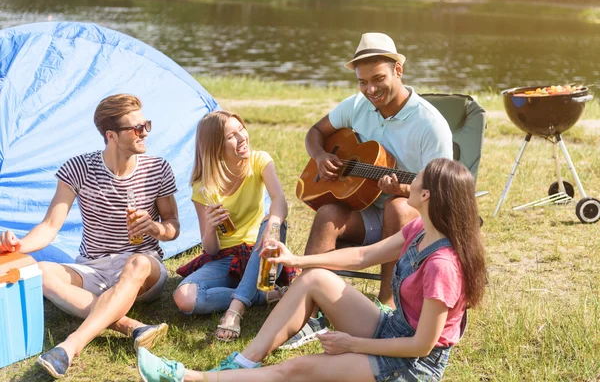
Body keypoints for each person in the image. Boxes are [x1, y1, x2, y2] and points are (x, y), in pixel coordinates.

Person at [137, 158, 487, 382]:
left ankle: (187, 378)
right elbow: (362, 257)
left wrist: (354, 344)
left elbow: (422, 347)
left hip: (411, 367)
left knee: (296, 369)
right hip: (392, 330)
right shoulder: (419, 231)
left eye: (417, 178)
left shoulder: (443, 266)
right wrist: (297, 261)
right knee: (316, 279)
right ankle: (242, 363)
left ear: (427, 196)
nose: (407, 181)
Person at [286, 32, 454, 348]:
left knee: (398, 207)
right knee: (328, 212)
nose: (370, 90)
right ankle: (306, 308)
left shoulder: (430, 125)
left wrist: (405, 188)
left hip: (412, 224)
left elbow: (443, 192)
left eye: (378, 79)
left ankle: (386, 304)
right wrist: (321, 156)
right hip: (366, 213)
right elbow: (315, 133)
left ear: (398, 71)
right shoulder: (357, 105)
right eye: (362, 82)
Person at [0, 94, 180, 379]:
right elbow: (49, 226)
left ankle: (70, 347)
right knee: (42, 271)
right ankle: (132, 327)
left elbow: (173, 226)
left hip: (142, 268)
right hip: (92, 266)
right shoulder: (78, 169)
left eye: (146, 124)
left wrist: (155, 228)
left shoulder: (158, 168)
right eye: (136, 128)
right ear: (111, 135)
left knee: (138, 264)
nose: (144, 132)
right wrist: (19, 245)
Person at [172, 110, 289, 342]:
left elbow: (280, 200)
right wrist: (211, 228)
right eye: (231, 136)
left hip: (261, 253)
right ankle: (261, 297)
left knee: (273, 223)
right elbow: (211, 250)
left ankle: (235, 310)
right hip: (225, 259)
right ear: (216, 146)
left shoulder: (259, 161)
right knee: (183, 297)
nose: (242, 137)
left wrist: (272, 221)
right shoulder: (203, 186)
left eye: (241, 129)